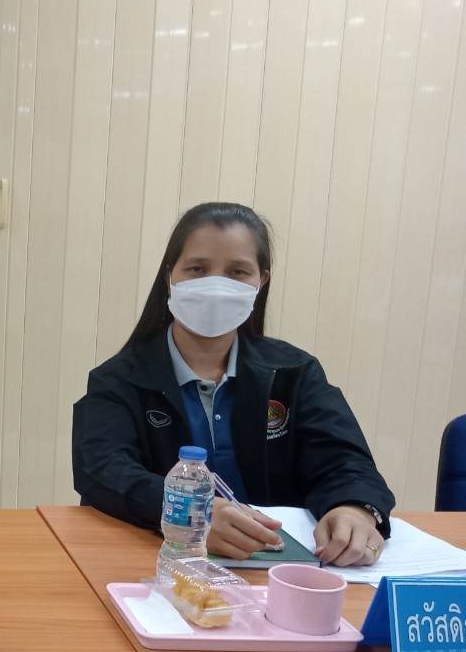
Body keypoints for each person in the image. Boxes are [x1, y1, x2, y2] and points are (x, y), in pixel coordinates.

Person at [72, 202, 394, 567]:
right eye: (197, 269)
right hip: (163, 565)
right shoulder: (119, 379)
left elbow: (345, 460)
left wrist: (354, 508)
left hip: (281, 567)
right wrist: (188, 513)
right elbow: (102, 471)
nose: (216, 286)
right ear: (169, 277)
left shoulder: (295, 373)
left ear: (261, 282)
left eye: (237, 272)